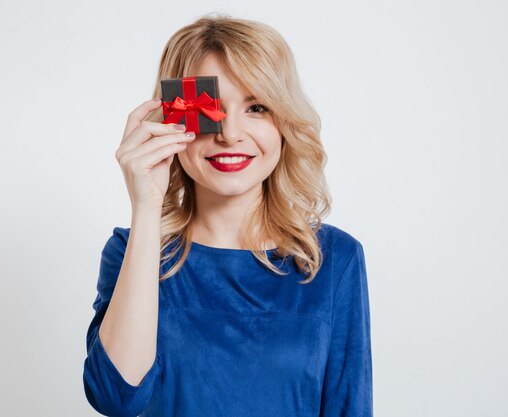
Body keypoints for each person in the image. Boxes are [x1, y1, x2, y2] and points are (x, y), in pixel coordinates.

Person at [83, 13, 373, 417]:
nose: (231, 134)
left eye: (256, 107)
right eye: (209, 108)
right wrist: (147, 207)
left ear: (284, 123)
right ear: (173, 122)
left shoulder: (334, 260)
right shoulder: (132, 252)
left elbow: (349, 408)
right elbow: (115, 397)